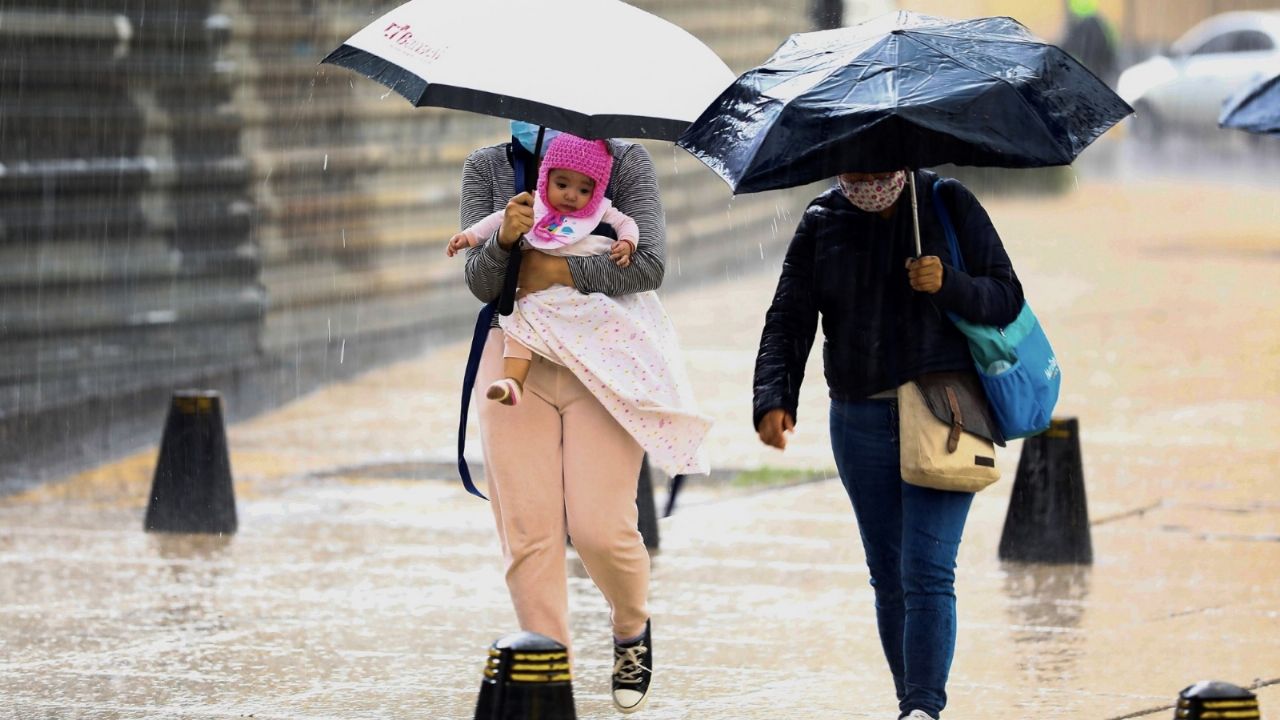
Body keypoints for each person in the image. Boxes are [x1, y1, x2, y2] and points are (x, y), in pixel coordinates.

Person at [752, 168, 1024, 720]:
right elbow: (789, 319)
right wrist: (773, 397)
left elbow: (1006, 297)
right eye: (852, 163)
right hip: (859, 419)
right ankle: (911, 705)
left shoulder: (946, 201)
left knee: (927, 570)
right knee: (890, 574)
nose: (864, 175)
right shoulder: (822, 219)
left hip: (946, 411)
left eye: (875, 162)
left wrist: (948, 283)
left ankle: (922, 708)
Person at [459, 121, 703, 714]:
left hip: (605, 356)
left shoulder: (626, 160)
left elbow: (648, 266)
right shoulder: (488, 166)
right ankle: (551, 682)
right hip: (516, 356)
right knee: (528, 532)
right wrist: (505, 241)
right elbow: (482, 284)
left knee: (600, 527)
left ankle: (631, 626)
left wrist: (559, 271)